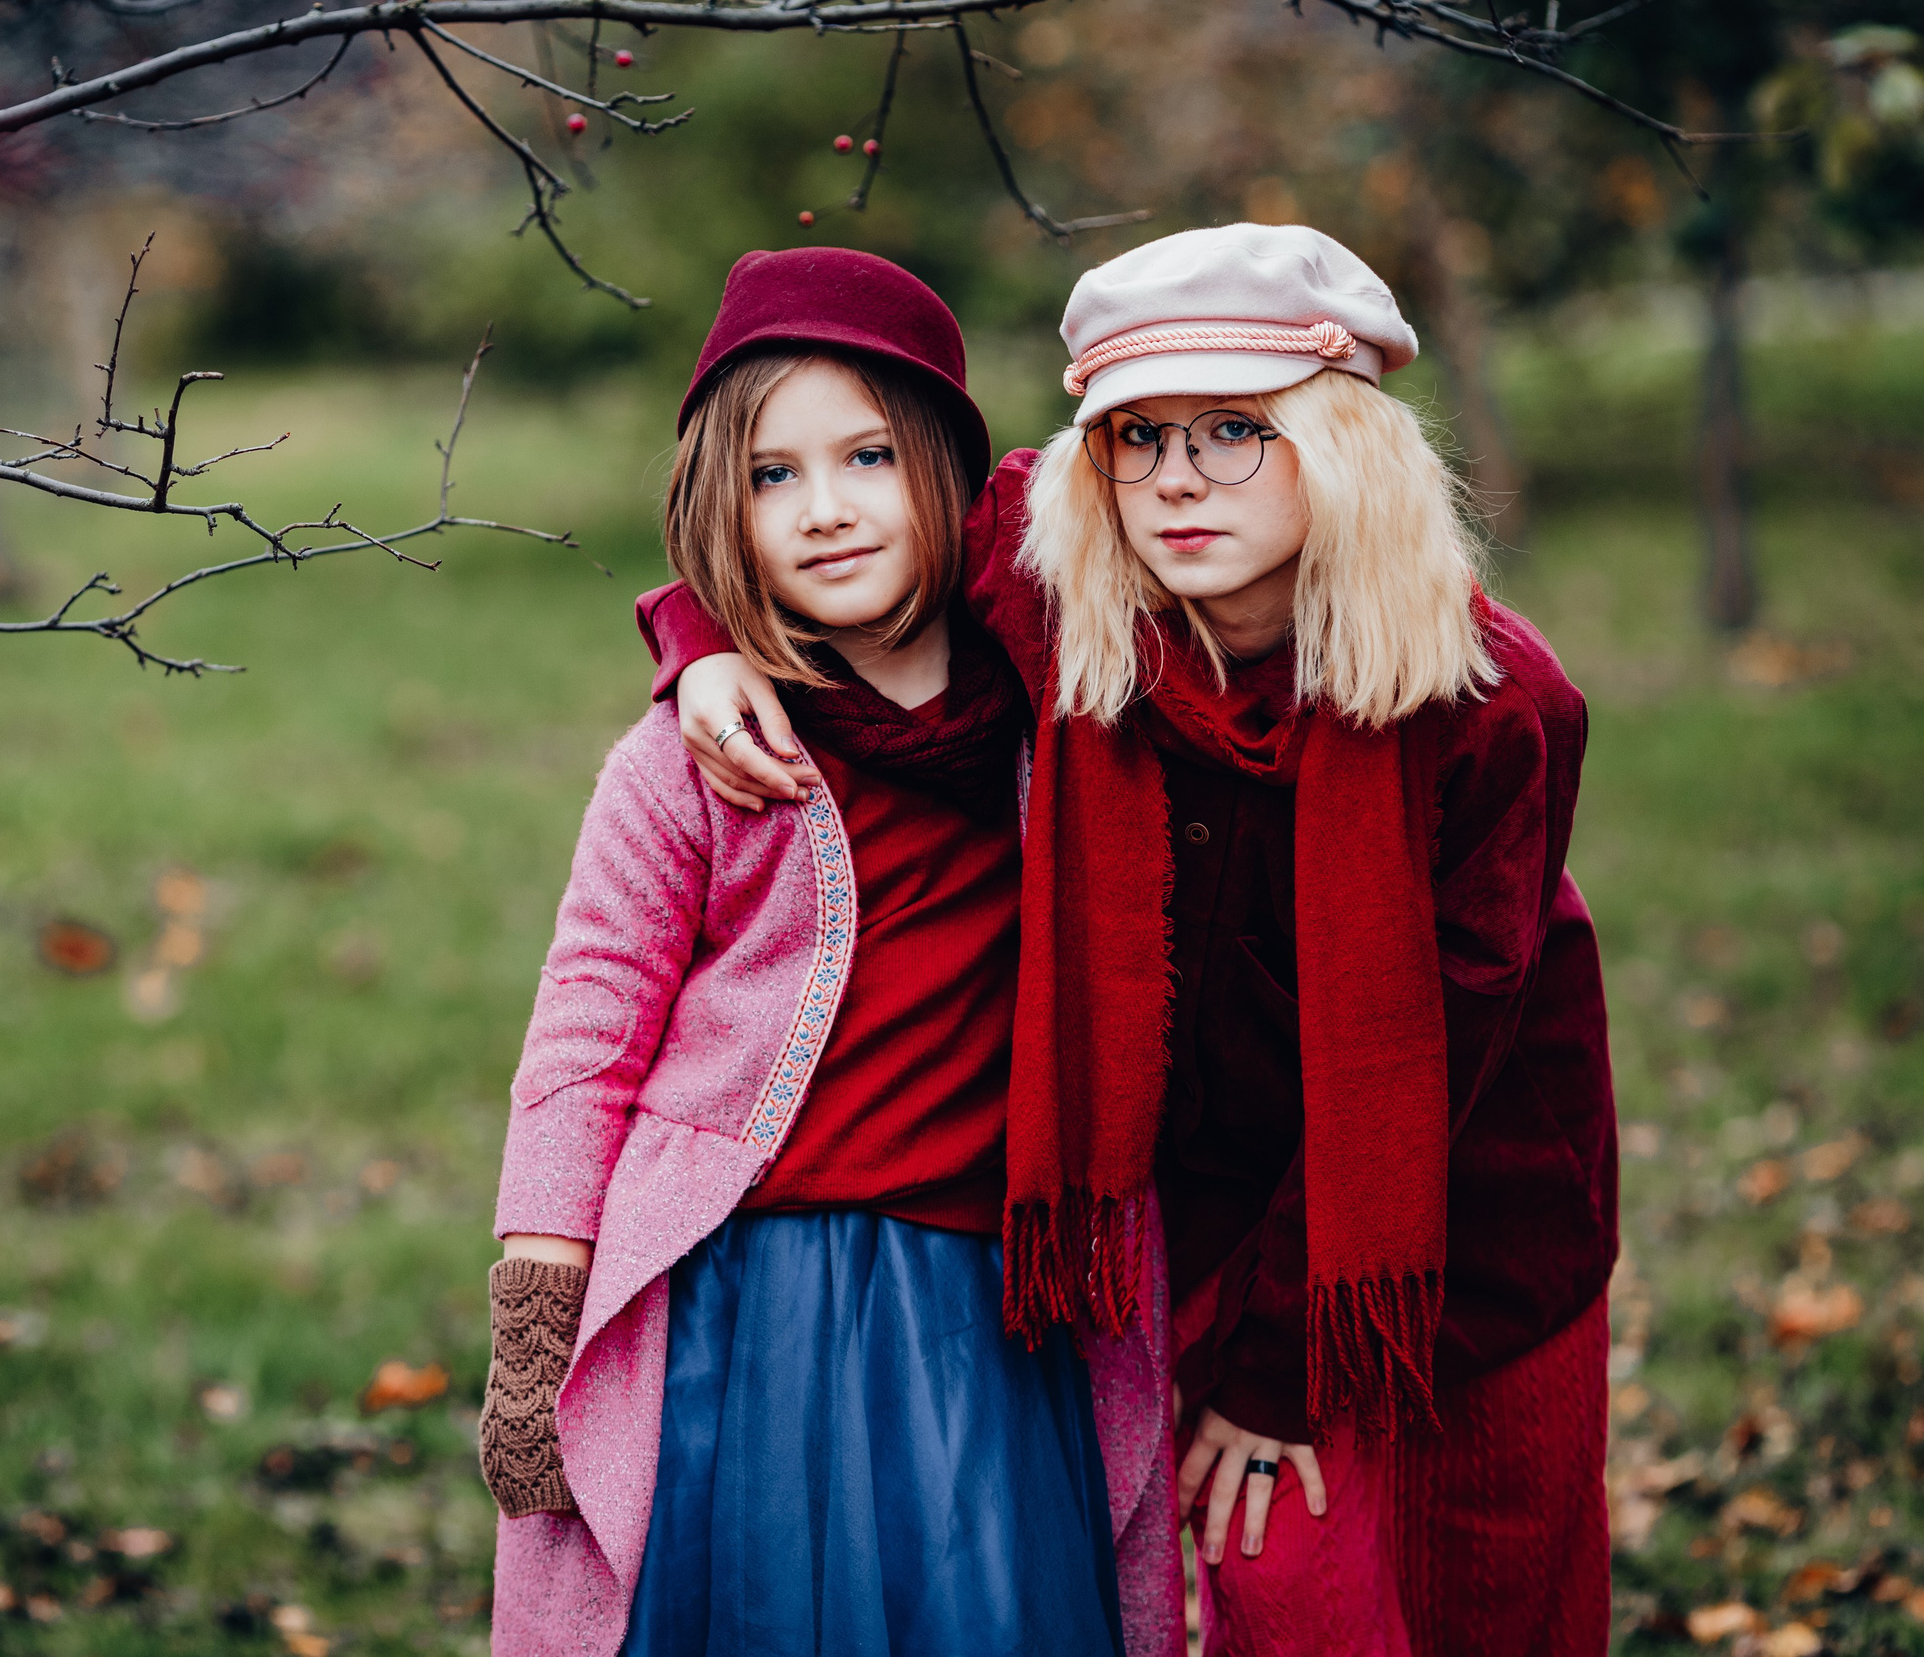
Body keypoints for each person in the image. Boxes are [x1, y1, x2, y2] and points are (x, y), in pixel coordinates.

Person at [645, 224, 1619, 1656]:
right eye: (1138, 435)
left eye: (1236, 430)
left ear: (1343, 439)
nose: (1175, 479)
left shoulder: (1490, 705)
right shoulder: (1059, 576)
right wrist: (700, 643)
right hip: (1203, 1217)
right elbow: (841, 542)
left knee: (1493, 1605)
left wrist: (1287, 1370)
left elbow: (1456, 1049)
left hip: (1467, 1229)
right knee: (1294, 1600)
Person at [481, 247, 1181, 1657]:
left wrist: (687, 635)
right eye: (771, 477)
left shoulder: (1073, 694)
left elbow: (1080, 498)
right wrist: (539, 1302)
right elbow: (585, 1027)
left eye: (868, 454)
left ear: (946, 471)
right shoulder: (698, 758)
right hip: (761, 1302)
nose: (827, 510)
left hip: (1002, 1301)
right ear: (716, 510)